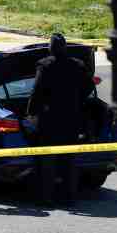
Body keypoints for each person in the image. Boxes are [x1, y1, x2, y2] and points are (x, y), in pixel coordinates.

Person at [27, 33, 95, 204]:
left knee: (48, 160)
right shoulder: (78, 65)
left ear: (50, 48)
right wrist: (77, 100)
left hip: (49, 120)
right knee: (69, 160)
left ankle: (47, 197)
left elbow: (36, 91)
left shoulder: (45, 65)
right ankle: (69, 196)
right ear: (65, 47)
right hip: (72, 119)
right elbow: (89, 87)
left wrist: (31, 111)